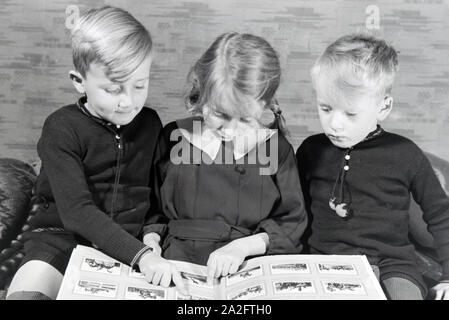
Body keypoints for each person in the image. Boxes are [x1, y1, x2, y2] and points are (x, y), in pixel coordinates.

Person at [6, 6, 186, 299]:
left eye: (140, 85)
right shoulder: (61, 128)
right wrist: (141, 255)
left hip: (131, 243)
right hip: (61, 239)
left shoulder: (151, 124)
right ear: (79, 81)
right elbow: (77, 211)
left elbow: (156, 195)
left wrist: (151, 236)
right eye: (113, 89)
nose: (128, 101)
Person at [142, 32, 308, 287]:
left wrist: (242, 247)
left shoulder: (274, 148)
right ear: (201, 94)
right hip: (173, 268)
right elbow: (152, 210)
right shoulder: (175, 136)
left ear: (264, 105)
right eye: (220, 114)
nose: (229, 130)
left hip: (244, 271)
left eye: (244, 119)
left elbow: (291, 223)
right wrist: (150, 244)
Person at [296, 33, 449, 300]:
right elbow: (293, 211)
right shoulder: (311, 150)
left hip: (392, 265)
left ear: (384, 107)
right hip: (325, 264)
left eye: (350, 113)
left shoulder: (405, 154)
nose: (335, 124)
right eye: (326, 108)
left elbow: (441, 215)